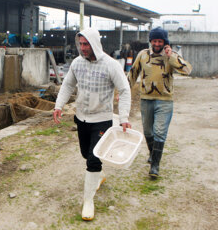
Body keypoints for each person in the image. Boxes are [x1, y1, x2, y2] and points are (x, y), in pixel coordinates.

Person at [53, 28, 131, 221]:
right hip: (82, 117)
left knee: (93, 159)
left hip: (102, 118)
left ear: (95, 43)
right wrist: (58, 105)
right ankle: (99, 175)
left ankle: (88, 201)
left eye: (86, 44)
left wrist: (124, 117)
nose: (82, 48)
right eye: (80, 44)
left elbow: (125, 90)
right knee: (85, 153)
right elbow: (68, 85)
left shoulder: (111, 65)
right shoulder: (77, 63)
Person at [127, 27, 192, 179]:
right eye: (155, 40)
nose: (157, 43)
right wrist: (124, 92)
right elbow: (133, 73)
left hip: (165, 101)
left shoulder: (171, 56)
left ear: (165, 42)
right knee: (148, 132)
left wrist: (171, 57)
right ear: (151, 41)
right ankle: (152, 154)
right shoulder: (143, 55)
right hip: (146, 99)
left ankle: (155, 165)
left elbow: (187, 70)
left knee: (160, 132)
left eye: (160, 41)